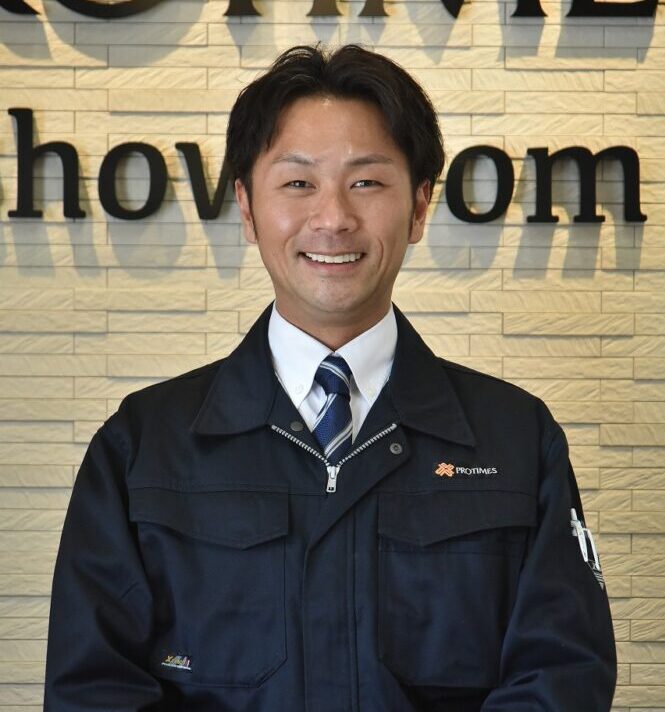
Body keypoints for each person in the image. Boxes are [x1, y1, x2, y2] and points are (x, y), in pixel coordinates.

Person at [44, 44, 616, 711]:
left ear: (420, 206)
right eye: (298, 183)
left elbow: (560, 676)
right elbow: (93, 688)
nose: (333, 217)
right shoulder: (142, 447)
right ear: (247, 208)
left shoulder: (515, 438)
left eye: (366, 182)